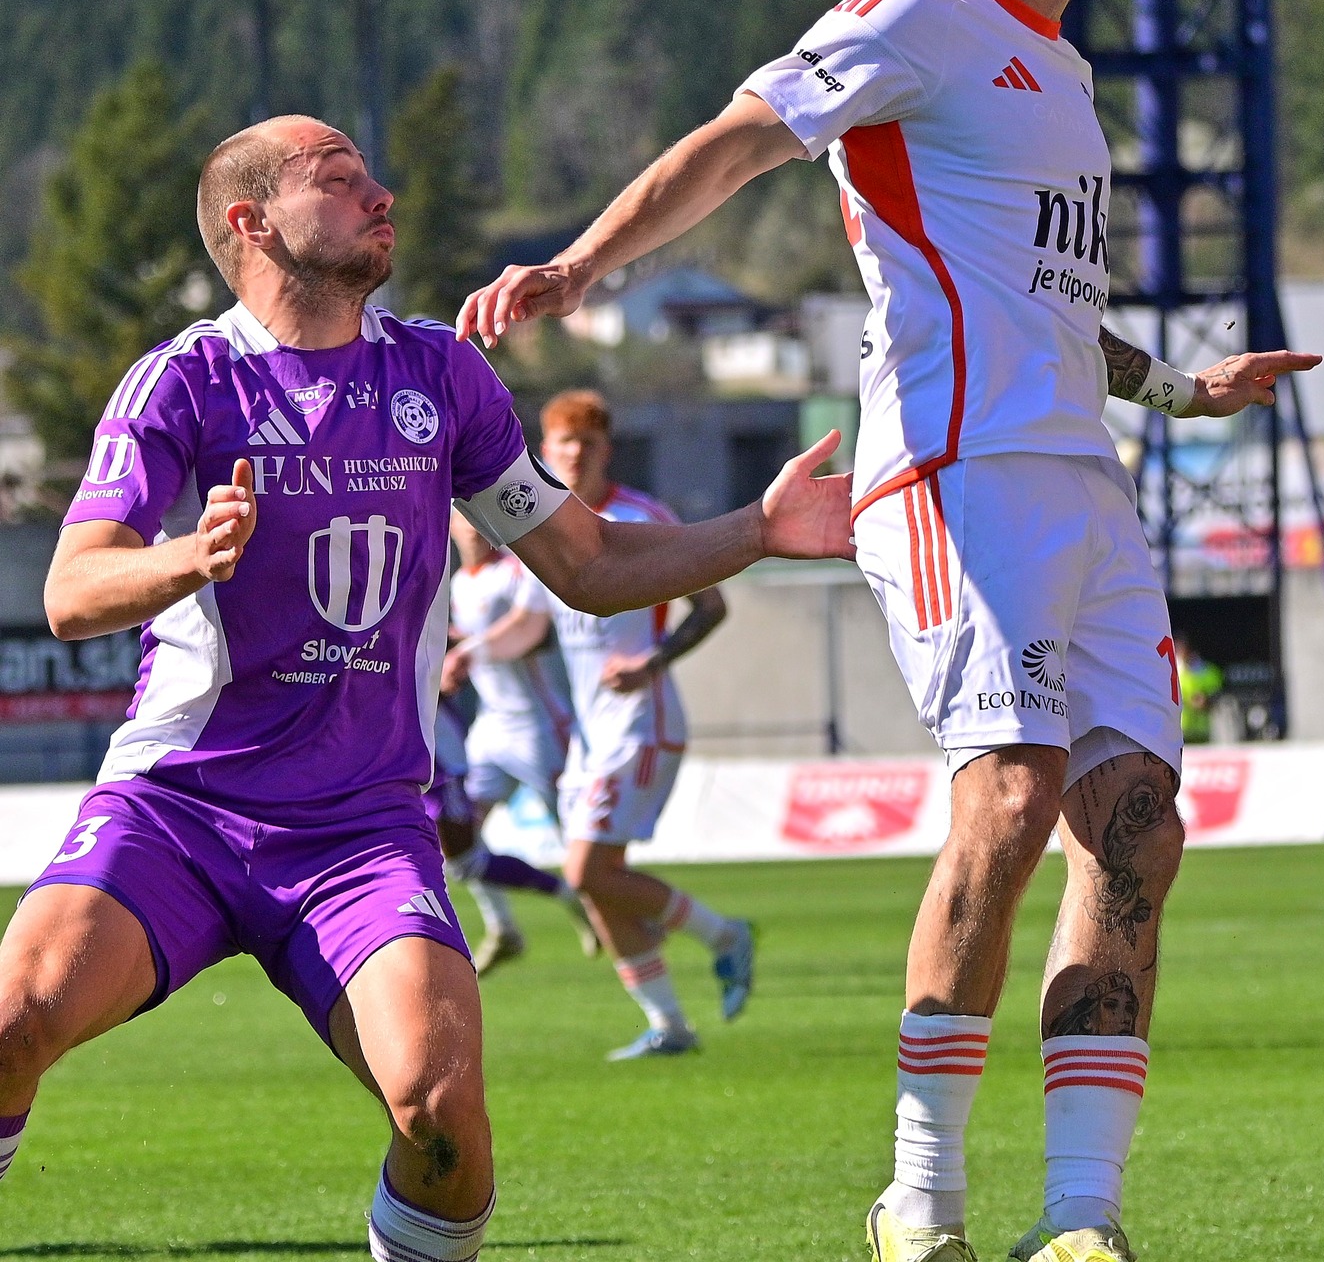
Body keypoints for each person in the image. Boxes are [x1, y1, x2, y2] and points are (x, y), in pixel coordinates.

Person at [458, 0, 1320, 1262]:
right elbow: (738, 135)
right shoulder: (915, 14)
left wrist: (1183, 392)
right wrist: (583, 264)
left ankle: (1081, 1220)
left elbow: (1057, 313)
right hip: (951, 471)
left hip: (1083, 486)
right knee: (1010, 795)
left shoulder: (1063, 76)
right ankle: (918, 1202)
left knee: (1134, 831)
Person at [0, 114, 852, 1261]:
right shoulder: (185, 379)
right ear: (252, 221)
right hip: (179, 809)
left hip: (361, 827)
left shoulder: (439, 372)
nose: (381, 193)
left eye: (371, 175)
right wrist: (189, 557)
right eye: (338, 178)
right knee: (11, 1024)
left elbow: (588, 561)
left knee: (443, 1117)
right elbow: (71, 588)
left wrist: (754, 527)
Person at [539, 388, 752, 1060]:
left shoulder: (639, 517)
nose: (576, 454)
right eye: (564, 442)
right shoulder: (540, 525)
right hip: (587, 734)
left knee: (585, 873)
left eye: (588, 443)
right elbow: (529, 623)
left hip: (640, 722)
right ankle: (669, 1026)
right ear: (545, 450)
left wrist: (651, 662)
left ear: (606, 450)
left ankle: (724, 934)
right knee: (602, 889)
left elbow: (711, 606)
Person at [438, 511, 598, 972]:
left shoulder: (518, 570)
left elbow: (538, 634)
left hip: (539, 727)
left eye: (475, 515)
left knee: (581, 844)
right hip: (490, 728)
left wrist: (469, 648)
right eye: (461, 516)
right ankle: (503, 927)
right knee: (460, 846)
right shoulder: (458, 583)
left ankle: (615, 913)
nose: (471, 525)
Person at [1172, 632, 1223, 745]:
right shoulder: (1171, 672)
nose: (1178, 651)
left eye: (1181, 648)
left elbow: (1219, 697)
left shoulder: (1209, 672)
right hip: (1179, 731)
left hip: (1203, 731)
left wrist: (1206, 700)